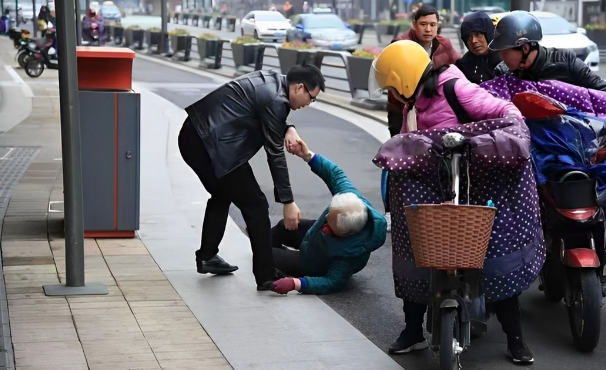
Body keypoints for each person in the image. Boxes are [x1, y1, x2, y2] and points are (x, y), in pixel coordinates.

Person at [370, 40, 544, 364]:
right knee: (419, 254)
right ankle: (412, 332)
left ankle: (515, 339)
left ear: (404, 79)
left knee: (491, 255)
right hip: (436, 190)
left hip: (475, 186)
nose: (391, 95)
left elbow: (507, 113)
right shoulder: (412, 105)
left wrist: (484, 140)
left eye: (392, 86)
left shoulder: (454, 87)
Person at [178, 65, 325, 291]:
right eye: (311, 98)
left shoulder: (274, 82)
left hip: (197, 136)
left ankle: (208, 255)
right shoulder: (277, 99)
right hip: (210, 145)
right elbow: (275, 153)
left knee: (222, 194)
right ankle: (266, 276)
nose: (308, 104)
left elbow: (267, 117)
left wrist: (289, 127)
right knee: (256, 205)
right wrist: (288, 201)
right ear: (299, 87)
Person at [269, 139, 388, 295]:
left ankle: (275, 261)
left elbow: (332, 282)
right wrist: (307, 155)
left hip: (314, 263)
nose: (325, 225)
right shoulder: (350, 198)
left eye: (330, 225)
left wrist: (297, 284)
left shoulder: (349, 256)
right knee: (282, 227)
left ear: (344, 234)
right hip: (314, 238)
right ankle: (264, 243)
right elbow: (334, 174)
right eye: (328, 216)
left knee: (268, 256)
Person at [385, 5, 461, 230]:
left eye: (433, 25)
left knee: (435, 158)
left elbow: (457, 70)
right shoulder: (400, 45)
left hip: (433, 113)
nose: (428, 29)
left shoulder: (443, 45)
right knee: (399, 159)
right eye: (423, 24)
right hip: (402, 110)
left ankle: (429, 207)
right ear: (414, 24)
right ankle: (392, 210)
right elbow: (390, 80)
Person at [490, 11, 606, 91]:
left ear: (525, 48)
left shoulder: (565, 60)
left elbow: (600, 90)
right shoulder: (502, 72)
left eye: (504, 50)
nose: (501, 56)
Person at [455, 10, 501, 84]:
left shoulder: (504, 60)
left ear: (488, 34)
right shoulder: (464, 64)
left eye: (478, 34)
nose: (473, 41)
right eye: (468, 36)